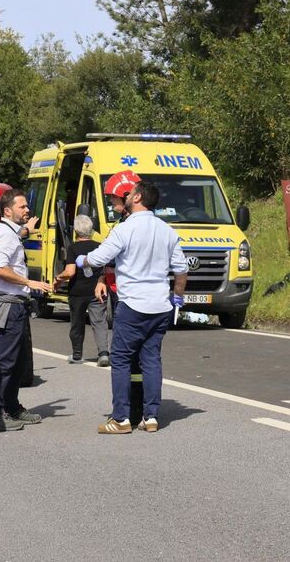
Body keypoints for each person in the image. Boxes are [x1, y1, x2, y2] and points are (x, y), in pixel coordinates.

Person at [78, 181, 188, 434]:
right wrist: (177, 296)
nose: (125, 197)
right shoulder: (167, 230)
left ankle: (120, 418)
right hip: (160, 305)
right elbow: (181, 270)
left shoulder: (125, 229)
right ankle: (151, 417)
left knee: (121, 360)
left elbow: (98, 258)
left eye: (130, 193)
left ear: (137, 197)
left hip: (133, 304)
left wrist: (82, 259)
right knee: (151, 359)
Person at [0, 189, 52, 432]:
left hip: (17, 305)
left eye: (26, 206)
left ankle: (11, 407)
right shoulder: (4, 234)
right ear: (7, 211)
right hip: (8, 304)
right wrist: (29, 283)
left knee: (17, 361)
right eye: (22, 207)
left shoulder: (10, 232)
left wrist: (27, 231)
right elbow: (0, 268)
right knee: (5, 362)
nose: (27, 210)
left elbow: (15, 240)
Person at [93, 169, 142, 367]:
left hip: (132, 294)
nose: (112, 204)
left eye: (114, 199)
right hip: (116, 289)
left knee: (130, 352)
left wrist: (85, 261)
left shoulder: (135, 227)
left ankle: (134, 395)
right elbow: (111, 258)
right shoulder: (121, 224)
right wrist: (102, 279)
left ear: (127, 196)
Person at [53, 215, 109, 364]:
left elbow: (70, 272)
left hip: (77, 292)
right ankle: (103, 354)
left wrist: (58, 278)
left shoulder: (73, 248)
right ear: (91, 231)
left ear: (76, 232)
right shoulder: (100, 246)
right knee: (99, 322)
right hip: (97, 290)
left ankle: (77, 355)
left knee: (77, 323)